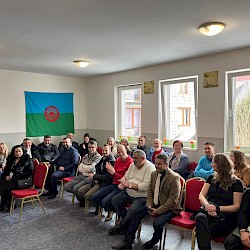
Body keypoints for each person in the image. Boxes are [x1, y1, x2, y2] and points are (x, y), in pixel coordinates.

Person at [112, 153, 182, 250]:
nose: (156, 166)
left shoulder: (174, 177)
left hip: (170, 208)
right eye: (156, 163)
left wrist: (158, 211)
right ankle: (127, 242)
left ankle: (154, 240)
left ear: (166, 165)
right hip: (155, 203)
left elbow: (173, 200)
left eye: (159, 164)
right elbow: (150, 191)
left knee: (157, 223)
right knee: (135, 213)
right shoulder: (154, 173)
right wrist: (149, 204)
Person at [195, 153, 244, 250]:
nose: (211, 165)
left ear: (220, 165)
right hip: (209, 211)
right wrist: (208, 206)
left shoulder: (236, 183)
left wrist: (217, 209)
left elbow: (236, 206)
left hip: (225, 215)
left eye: (213, 162)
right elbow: (201, 196)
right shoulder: (211, 178)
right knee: (200, 217)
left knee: (203, 227)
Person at [109, 149, 155, 236]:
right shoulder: (133, 165)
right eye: (133, 157)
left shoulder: (150, 168)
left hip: (142, 196)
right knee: (115, 200)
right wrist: (123, 181)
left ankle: (122, 226)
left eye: (136, 158)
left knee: (132, 211)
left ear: (143, 158)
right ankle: (127, 225)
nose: (133, 159)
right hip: (129, 192)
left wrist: (130, 185)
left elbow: (146, 186)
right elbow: (126, 176)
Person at [92, 145, 133, 220]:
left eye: (122, 152)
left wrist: (114, 173)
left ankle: (119, 215)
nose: (120, 154)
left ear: (126, 151)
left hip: (121, 187)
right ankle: (112, 209)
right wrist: (110, 172)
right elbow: (112, 175)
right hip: (113, 184)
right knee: (95, 197)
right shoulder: (118, 160)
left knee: (105, 201)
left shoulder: (130, 162)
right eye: (118, 152)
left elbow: (126, 179)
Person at [75, 144, 116, 213]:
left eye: (106, 150)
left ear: (110, 151)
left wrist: (95, 177)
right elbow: (97, 168)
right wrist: (95, 178)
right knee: (80, 191)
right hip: (96, 180)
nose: (104, 152)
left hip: (104, 183)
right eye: (103, 150)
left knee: (88, 195)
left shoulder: (111, 161)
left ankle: (98, 208)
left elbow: (107, 177)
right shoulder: (103, 158)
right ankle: (90, 204)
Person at [64, 140, 101, 205]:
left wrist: (85, 167)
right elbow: (80, 168)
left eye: (93, 147)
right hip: (81, 175)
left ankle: (83, 201)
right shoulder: (86, 156)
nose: (91, 149)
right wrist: (86, 168)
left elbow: (92, 168)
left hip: (88, 178)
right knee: (66, 187)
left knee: (76, 188)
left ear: (96, 147)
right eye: (89, 147)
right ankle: (82, 198)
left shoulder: (98, 157)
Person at [0, 145, 33, 212]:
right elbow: (6, 170)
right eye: (16, 151)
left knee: (8, 186)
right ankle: (3, 204)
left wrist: (13, 177)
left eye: (19, 151)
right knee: (2, 183)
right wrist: (6, 176)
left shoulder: (28, 160)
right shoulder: (11, 159)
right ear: (14, 152)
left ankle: (11, 204)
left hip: (24, 180)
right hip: (12, 178)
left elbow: (28, 173)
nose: (18, 153)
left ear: (22, 151)